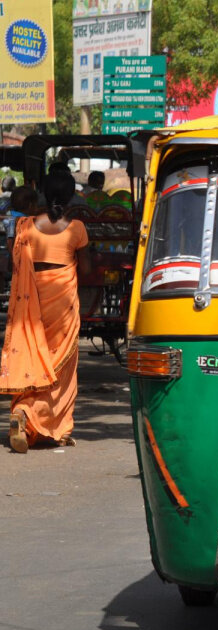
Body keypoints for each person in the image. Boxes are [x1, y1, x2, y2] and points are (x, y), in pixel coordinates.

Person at [3, 171, 92, 452]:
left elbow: (13, 264)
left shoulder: (24, 226)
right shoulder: (76, 227)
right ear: (70, 195)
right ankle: (46, 423)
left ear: (41, 192)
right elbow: (87, 270)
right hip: (62, 300)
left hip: (31, 298)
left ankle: (23, 413)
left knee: (33, 356)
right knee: (59, 365)